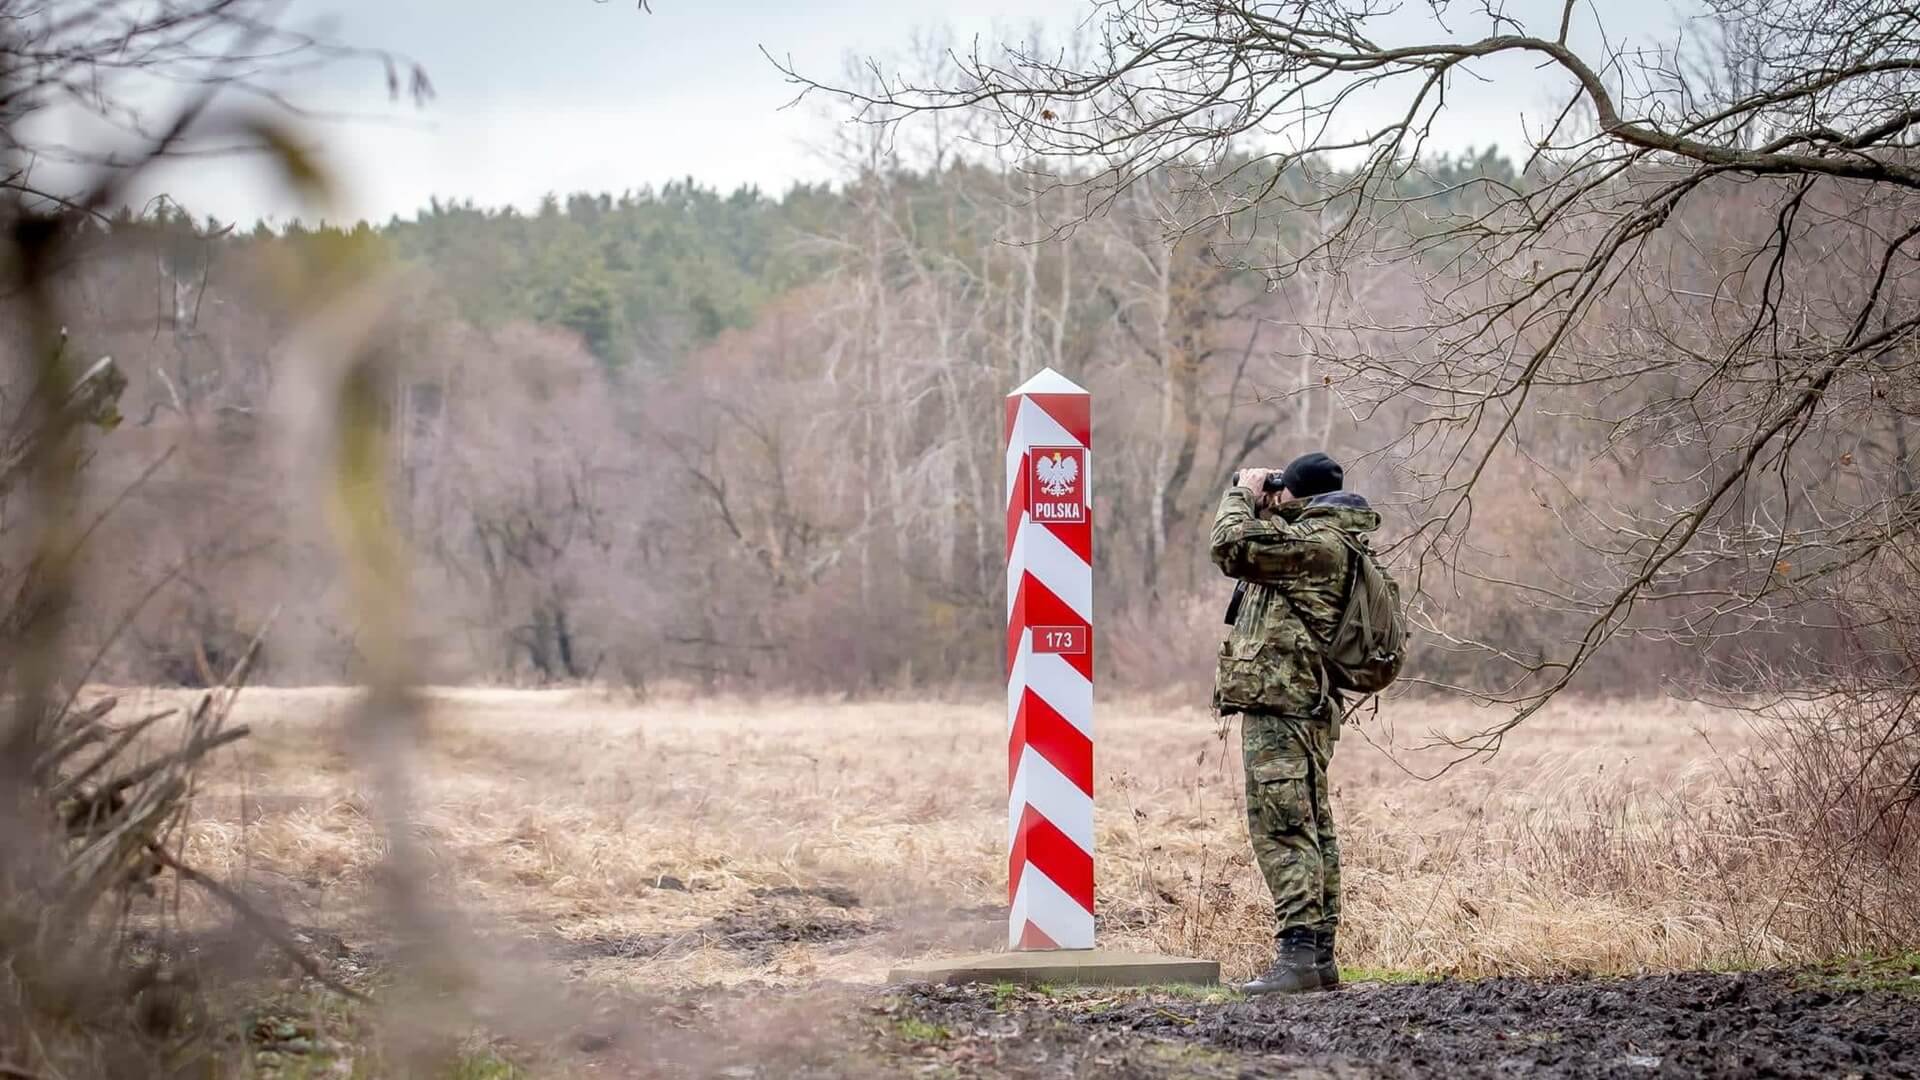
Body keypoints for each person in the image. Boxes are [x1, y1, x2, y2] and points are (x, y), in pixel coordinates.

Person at [1210, 451, 1382, 995]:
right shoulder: (1327, 541)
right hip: (1298, 704)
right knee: (1310, 825)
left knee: (1283, 827)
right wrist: (1272, 506)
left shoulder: (1317, 545)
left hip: (1285, 706)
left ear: (1297, 495)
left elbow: (1230, 545)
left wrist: (1243, 494)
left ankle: (1298, 957)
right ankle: (1318, 957)